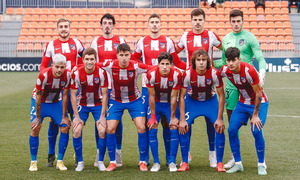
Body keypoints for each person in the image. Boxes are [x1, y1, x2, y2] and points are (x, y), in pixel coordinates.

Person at [214, 9, 267, 168]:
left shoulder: (250, 38)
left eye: (238, 21)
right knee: (232, 121)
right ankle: (233, 157)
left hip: (249, 81)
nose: (236, 24)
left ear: (242, 21)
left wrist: (262, 72)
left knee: (255, 128)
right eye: (233, 21)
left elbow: (260, 58)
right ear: (230, 22)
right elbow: (223, 63)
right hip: (231, 84)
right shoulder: (226, 39)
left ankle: (261, 161)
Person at [133, 13, 186, 167]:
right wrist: (148, 68)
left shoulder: (168, 41)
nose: (155, 25)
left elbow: (176, 61)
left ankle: (170, 157)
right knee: (149, 121)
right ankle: (146, 158)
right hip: (147, 86)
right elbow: (135, 59)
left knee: (167, 122)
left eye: (157, 22)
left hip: (167, 86)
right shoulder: (142, 42)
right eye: (152, 22)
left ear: (161, 25)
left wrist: (190, 69)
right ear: (148, 25)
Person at [175, 8, 223, 167]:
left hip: (209, 84)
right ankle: (186, 153)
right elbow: (174, 52)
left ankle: (212, 155)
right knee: (188, 123)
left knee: (212, 123)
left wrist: (219, 67)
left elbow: (225, 49)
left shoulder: (211, 35)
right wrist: (183, 66)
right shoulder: (185, 36)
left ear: (204, 20)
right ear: (191, 21)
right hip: (191, 85)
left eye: (200, 19)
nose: (197, 22)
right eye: (194, 19)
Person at [95, 43, 153, 172]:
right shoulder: (110, 65)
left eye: (126, 55)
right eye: (121, 55)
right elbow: (93, 64)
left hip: (134, 100)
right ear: (117, 56)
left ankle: (142, 161)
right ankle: (112, 162)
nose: (124, 58)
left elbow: (152, 68)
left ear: (130, 55)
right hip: (116, 101)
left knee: (142, 127)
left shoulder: (136, 66)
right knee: (110, 129)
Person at [40, 17, 85, 167]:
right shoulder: (51, 45)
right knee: (55, 121)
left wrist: (77, 69)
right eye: (61, 27)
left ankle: (78, 155)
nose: (64, 29)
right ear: (57, 28)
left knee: (77, 121)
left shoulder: (77, 43)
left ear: (70, 28)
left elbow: (86, 60)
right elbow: (43, 67)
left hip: (76, 89)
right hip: (59, 91)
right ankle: (51, 154)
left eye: (66, 26)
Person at [220, 47, 269, 175]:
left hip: (259, 102)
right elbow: (214, 76)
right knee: (231, 130)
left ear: (239, 59)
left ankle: (261, 164)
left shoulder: (249, 70)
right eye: (228, 60)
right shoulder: (225, 70)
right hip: (242, 102)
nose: (231, 63)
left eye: (234, 60)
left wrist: (255, 115)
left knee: (256, 130)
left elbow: (258, 94)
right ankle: (238, 164)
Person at [177, 49, 226, 172]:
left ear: (207, 61)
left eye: (204, 60)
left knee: (219, 127)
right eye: (198, 60)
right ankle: (184, 161)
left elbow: (221, 95)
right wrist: (182, 120)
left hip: (210, 101)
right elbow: (181, 97)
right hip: (192, 102)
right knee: (183, 127)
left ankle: (217, 160)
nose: (201, 63)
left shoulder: (214, 73)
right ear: (194, 62)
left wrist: (220, 118)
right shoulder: (188, 73)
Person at [90, 13, 126, 167]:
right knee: (100, 119)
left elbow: (124, 60)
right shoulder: (95, 41)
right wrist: (105, 64)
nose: (107, 25)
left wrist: (104, 63)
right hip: (100, 86)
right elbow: (91, 62)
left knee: (117, 121)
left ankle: (118, 153)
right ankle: (100, 154)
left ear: (113, 25)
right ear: (101, 25)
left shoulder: (120, 41)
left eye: (109, 23)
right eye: (104, 23)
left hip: (117, 86)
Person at [29, 54, 71, 172]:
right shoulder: (44, 75)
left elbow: (65, 95)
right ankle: (33, 162)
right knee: (35, 128)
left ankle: (60, 161)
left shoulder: (68, 75)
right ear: (52, 65)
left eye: (62, 67)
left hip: (55, 102)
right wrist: (38, 117)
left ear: (65, 66)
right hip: (40, 102)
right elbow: (38, 97)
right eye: (57, 67)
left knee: (65, 126)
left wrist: (64, 116)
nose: (59, 70)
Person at [70, 48, 109, 172]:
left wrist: (103, 116)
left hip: (98, 104)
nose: (89, 62)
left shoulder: (102, 73)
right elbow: (73, 95)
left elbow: (105, 94)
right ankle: (80, 162)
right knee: (76, 130)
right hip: (83, 104)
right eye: (87, 59)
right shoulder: (76, 73)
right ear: (83, 60)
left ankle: (101, 161)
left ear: (95, 60)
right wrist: (76, 116)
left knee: (102, 130)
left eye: (92, 59)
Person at [146, 52, 182, 172]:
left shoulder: (177, 75)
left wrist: (172, 116)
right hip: (156, 103)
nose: (165, 67)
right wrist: (152, 115)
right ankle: (156, 162)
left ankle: (172, 161)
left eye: (167, 64)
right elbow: (151, 96)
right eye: (162, 64)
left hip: (169, 103)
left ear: (171, 65)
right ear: (158, 64)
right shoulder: (151, 74)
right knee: (153, 126)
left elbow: (174, 97)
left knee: (173, 126)